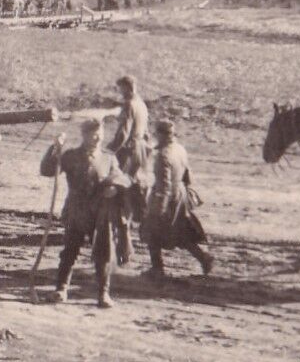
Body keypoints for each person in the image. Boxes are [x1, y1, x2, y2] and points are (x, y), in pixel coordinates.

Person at [40, 119, 133, 309]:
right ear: (84, 135)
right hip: (77, 211)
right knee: (70, 251)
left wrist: (115, 189)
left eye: (100, 133)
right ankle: (61, 289)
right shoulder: (71, 156)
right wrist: (54, 149)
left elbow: (123, 179)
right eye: (93, 133)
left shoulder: (108, 158)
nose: (98, 137)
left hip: (100, 213)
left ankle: (103, 294)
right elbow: (47, 170)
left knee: (104, 253)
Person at [141, 120, 215, 281]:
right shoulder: (179, 149)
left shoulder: (163, 156)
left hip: (167, 198)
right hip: (180, 196)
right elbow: (188, 175)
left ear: (160, 134)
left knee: (151, 231)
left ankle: (157, 269)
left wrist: (159, 208)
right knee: (181, 233)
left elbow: (164, 184)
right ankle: (204, 258)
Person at [107, 75, 151, 241]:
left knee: (119, 185)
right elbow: (146, 131)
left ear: (127, 87)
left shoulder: (129, 105)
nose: (120, 93)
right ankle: (140, 224)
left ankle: (120, 226)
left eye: (121, 89)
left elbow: (123, 134)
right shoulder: (142, 105)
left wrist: (110, 151)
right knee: (136, 186)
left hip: (128, 150)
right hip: (140, 148)